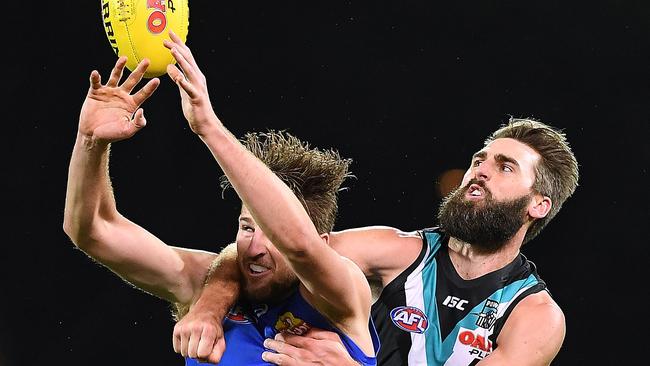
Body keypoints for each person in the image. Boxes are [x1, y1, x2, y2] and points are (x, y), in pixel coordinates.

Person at [63, 34, 380, 365]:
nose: (254, 246)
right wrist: (90, 142)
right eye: (246, 227)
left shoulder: (342, 294)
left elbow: (298, 244)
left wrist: (208, 128)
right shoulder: (205, 282)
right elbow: (91, 231)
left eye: (270, 234)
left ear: (324, 243)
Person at [175, 114, 579, 365]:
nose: (481, 170)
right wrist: (209, 308)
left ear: (539, 204)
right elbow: (269, 255)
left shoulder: (535, 316)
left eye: (504, 167)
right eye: (480, 159)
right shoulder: (396, 250)